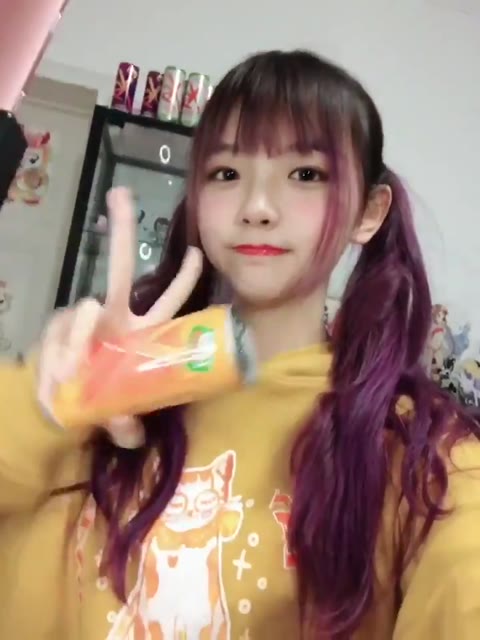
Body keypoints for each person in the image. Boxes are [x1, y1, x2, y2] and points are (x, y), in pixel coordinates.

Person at [0, 49, 479, 640]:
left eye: (306, 174)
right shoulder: (107, 391)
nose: (256, 207)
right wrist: (57, 401)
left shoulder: (422, 454)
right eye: (226, 173)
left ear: (369, 211)